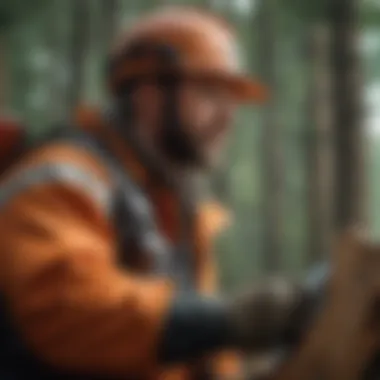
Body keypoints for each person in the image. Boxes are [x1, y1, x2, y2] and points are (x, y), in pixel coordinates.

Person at [0, 6, 313, 380]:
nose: (228, 116)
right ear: (149, 94)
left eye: (232, 100)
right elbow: (65, 310)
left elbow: (203, 359)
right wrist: (226, 321)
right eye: (211, 93)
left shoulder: (178, 212)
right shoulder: (63, 179)